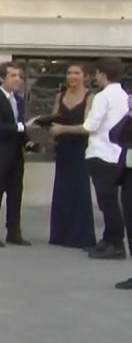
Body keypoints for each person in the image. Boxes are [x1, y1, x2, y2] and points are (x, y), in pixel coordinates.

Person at [50, 59, 127, 259]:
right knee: (109, 200)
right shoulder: (124, 96)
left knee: (107, 202)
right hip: (117, 153)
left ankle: (116, 243)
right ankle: (109, 239)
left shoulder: (102, 97)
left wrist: (61, 129)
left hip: (100, 153)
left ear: (101, 74)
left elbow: (89, 126)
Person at [0, 62, 34, 248]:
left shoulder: (18, 100)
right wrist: (23, 127)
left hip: (15, 154)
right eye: (13, 76)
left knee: (15, 194)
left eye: (20, 76)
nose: (18, 79)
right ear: (2, 78)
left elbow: (19, 125)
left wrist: (27, 140)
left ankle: (14, 232)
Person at [45, 63, 96, 248]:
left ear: (85, 76)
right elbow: (54, 119)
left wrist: (62, 129)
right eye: (69, 73)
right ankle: (60, 235)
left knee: (79, 190)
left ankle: (81, 236)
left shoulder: (91, 97)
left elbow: (88, 127)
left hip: (81, 147)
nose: (72, 76)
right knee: (62, 190)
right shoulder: (60, 96)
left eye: (76, 73)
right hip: (63, 147)